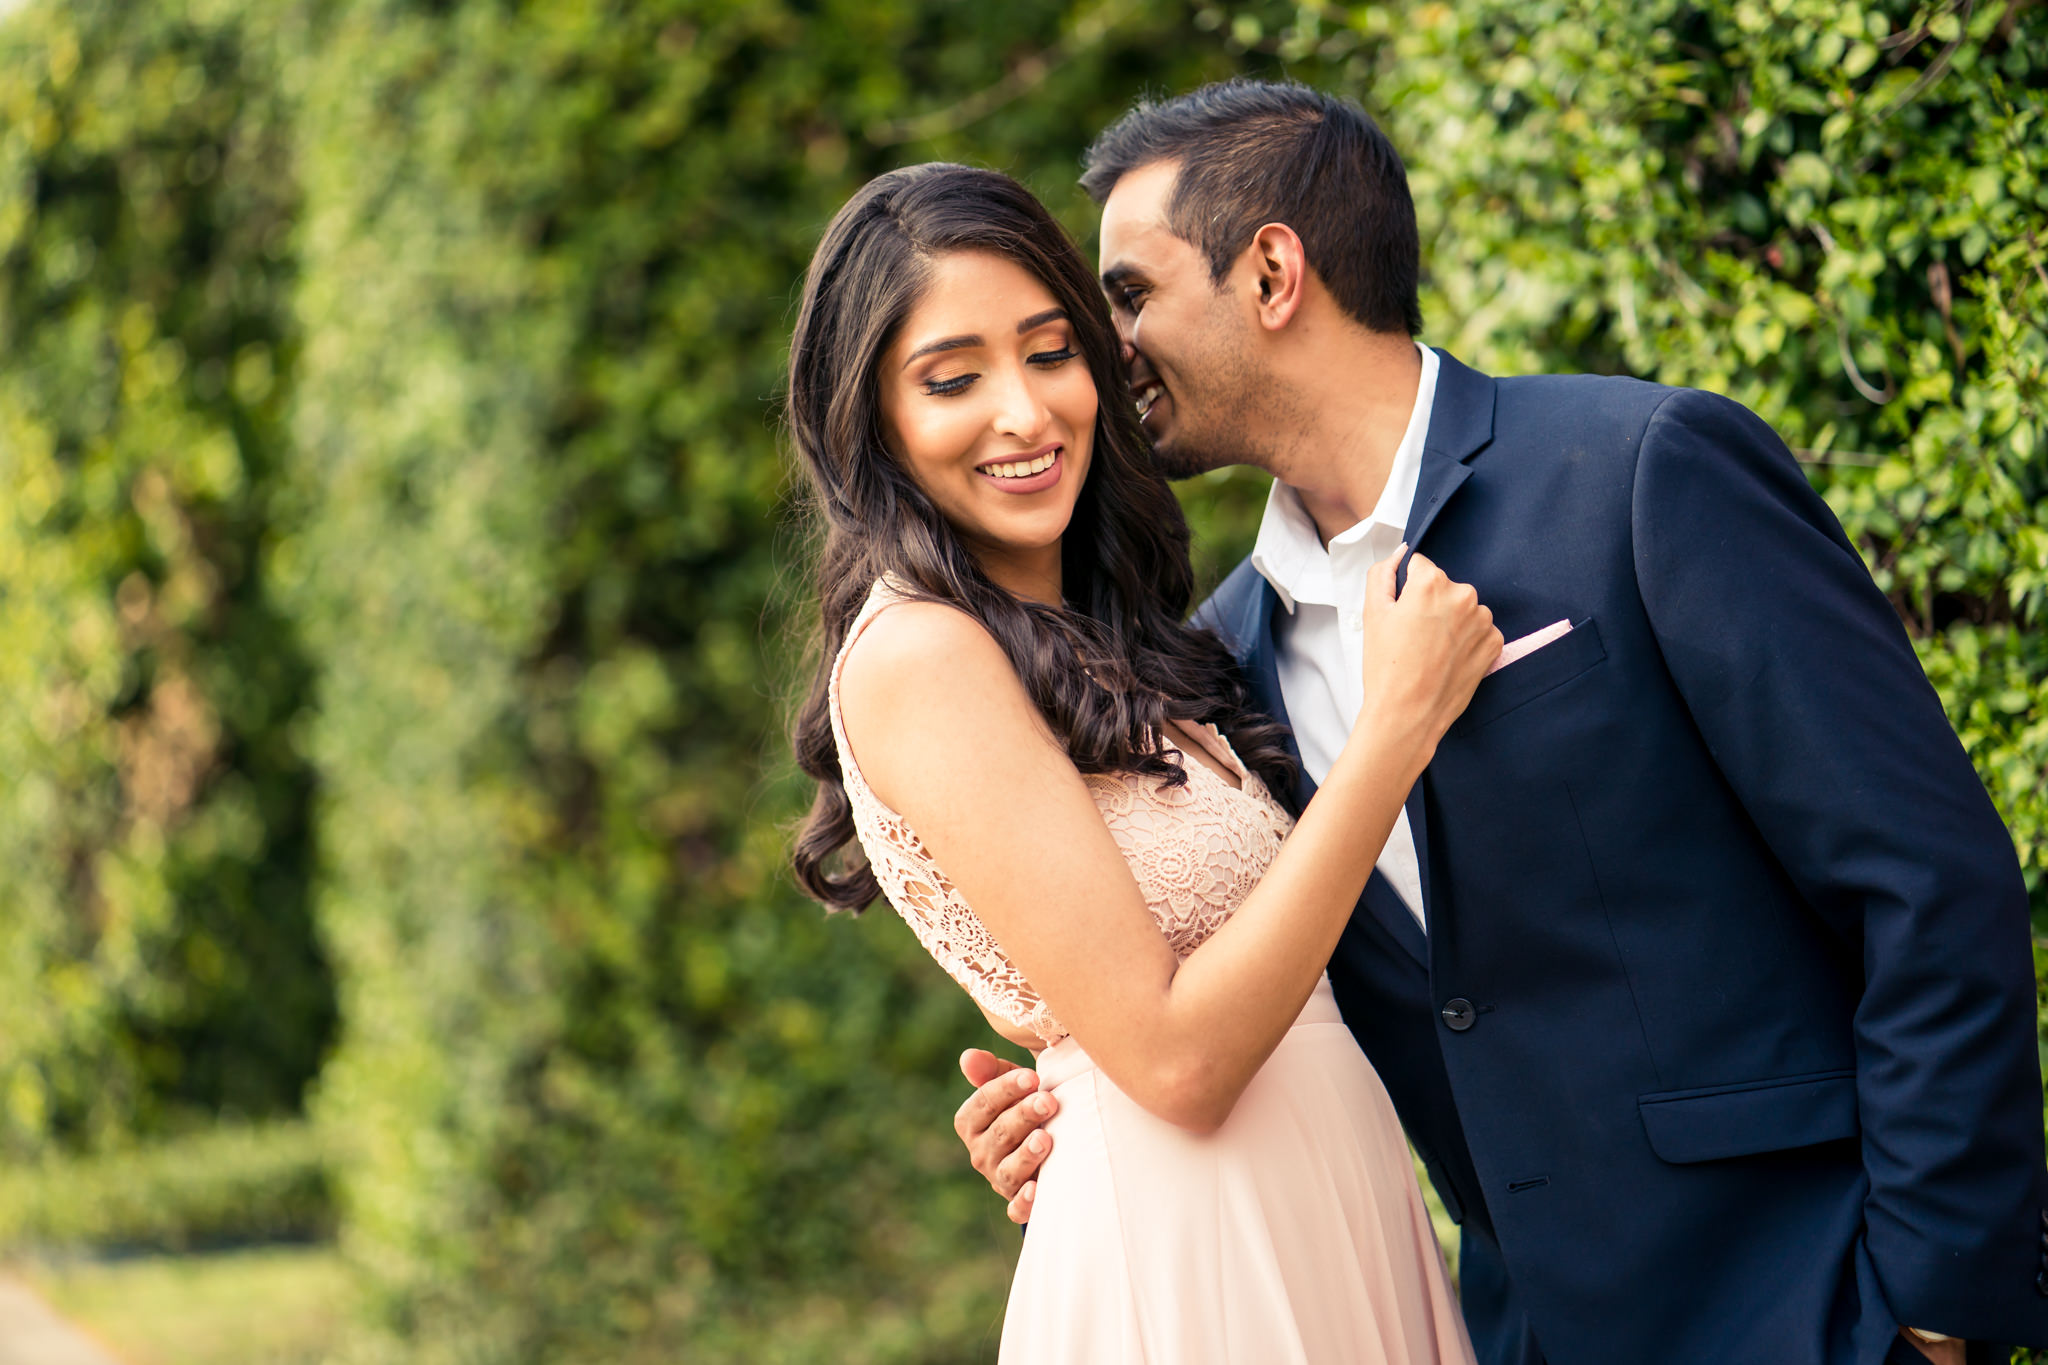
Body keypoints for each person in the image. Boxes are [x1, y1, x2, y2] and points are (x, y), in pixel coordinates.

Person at [954, 79, 2048, 1365]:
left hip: (1812, 1303)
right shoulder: (1215, 664)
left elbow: (1923, 881)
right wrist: (1076, 1107)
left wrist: (1929, 1310)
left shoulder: (1642, 472)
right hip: (1514, 1335)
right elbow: (1235, 1002)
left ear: (1268, 272)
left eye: (1128, 295)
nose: (1103, 347)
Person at [787, 161, 1503, 1363]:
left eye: (1049, 351)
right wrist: (1390, 736)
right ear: (873, 420)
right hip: (1195, 1261)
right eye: (952, 379)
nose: (1023, 413)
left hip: (1324, 1211)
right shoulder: (918, 654)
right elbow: (1172, 1063)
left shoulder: (1126, 640)